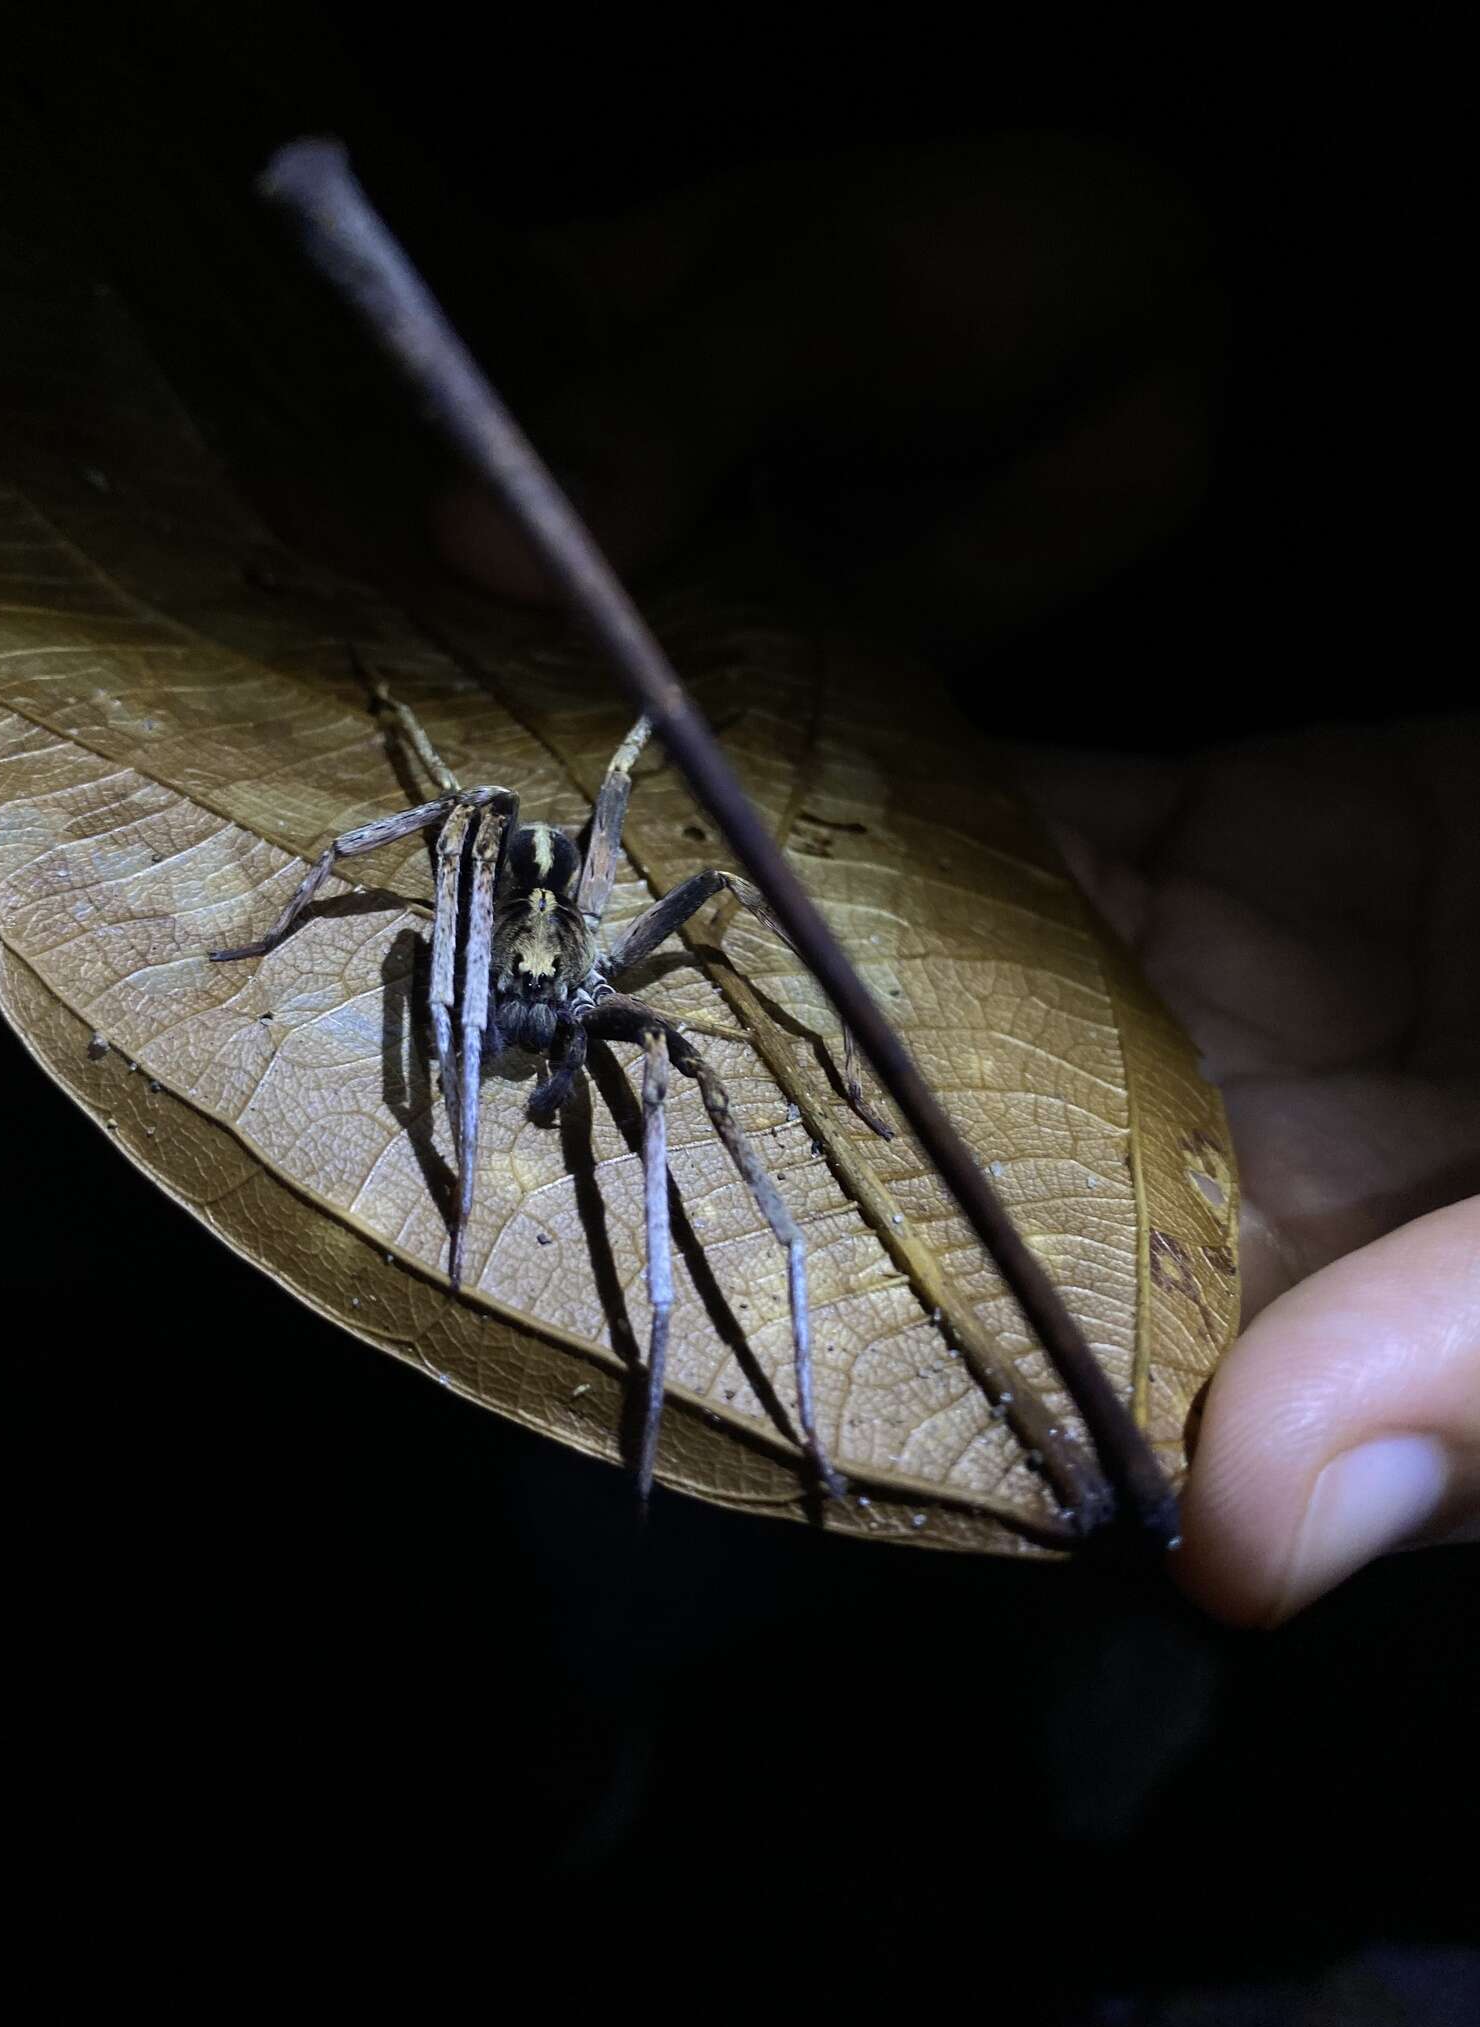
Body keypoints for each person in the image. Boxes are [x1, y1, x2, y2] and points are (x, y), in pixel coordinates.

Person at [434, 136, 1478, 1622]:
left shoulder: (620, 972)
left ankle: (701, 1420)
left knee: (705, 1094)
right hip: (528, 905)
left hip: (610, 915)